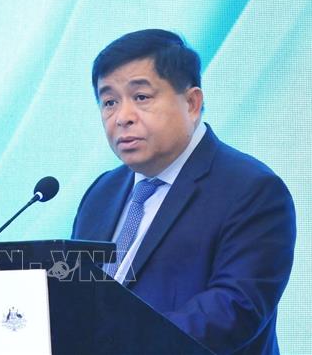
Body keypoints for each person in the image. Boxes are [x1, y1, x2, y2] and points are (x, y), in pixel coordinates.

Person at [71, 29, 296, 355]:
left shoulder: (252, 190)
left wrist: (119, 346)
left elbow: (234, 309)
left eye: (141, 97)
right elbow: (78, 298)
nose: (122, 118)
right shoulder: (102, 193)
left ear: (191, 103)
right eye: (109, 102)